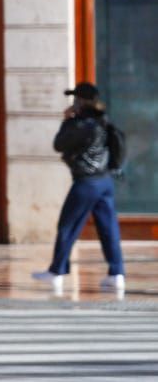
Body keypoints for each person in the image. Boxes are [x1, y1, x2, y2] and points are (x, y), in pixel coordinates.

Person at [34, 82, 127, 295]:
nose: (73, 102)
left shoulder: (81, 124)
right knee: (108, 228)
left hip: (87, 182)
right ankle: (117, 273)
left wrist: (67, 120)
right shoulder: (103, 120)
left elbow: (59, 144)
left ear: (82, 101)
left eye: (76, 98)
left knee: (68, 225)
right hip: (105, 181)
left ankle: (56, 271)